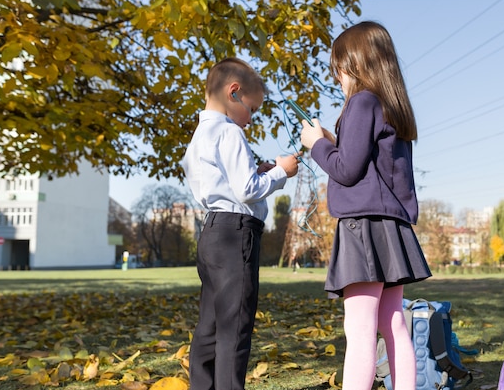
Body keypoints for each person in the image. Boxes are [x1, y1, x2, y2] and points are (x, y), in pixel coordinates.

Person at [300, 21, 432, 390]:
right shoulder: (390, 107)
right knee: (392, 324)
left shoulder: (361, 102)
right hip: (392, 229)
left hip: (362, 228)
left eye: (338, 69)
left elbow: (346, 169)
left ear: (354, 65)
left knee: (358, 328)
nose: (337, 78)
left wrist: (315, 144)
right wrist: (333, 140)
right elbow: (368, 163)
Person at [182, 57, 300, 390]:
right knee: (235, 326)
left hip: (212, 233)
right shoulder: (229, 132)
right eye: (252, 108)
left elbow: (225, 185)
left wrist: (257, 171)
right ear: (233, 93)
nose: (251, 119)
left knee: (210, 324)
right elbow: (247, 191)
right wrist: (281, 172)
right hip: (237, 236)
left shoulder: (201, 135)